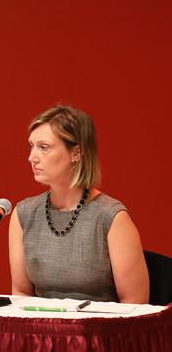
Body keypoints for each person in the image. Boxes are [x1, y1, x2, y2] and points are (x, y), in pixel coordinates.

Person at [8, 104, 148, 303]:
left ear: (76, 153)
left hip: (100, 331)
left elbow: (135, 304)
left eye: (44, 148)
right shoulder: (24, 214)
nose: (31, 157)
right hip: (43, 332)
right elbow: (21, 293)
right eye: (31, 146)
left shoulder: (111, 217)